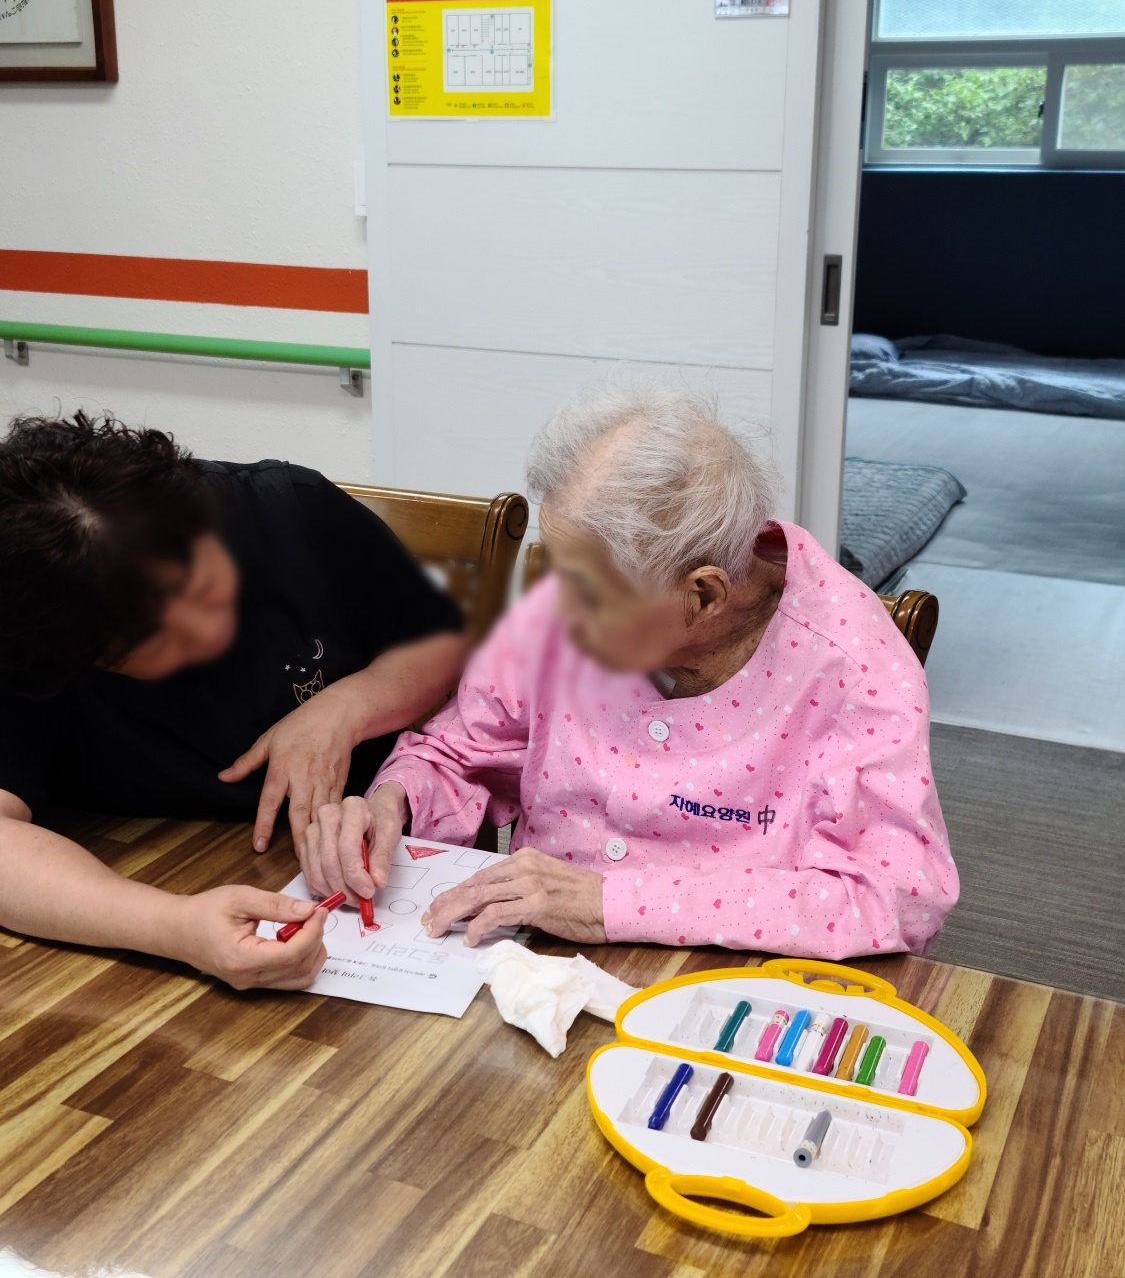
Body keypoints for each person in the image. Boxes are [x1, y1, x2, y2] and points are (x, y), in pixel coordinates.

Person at [307, 386, 958, 959]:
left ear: (703, 596)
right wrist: (394, 801)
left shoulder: (852, 667)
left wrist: (610, 904)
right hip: (530, 967)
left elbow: (896, 897)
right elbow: (459, 752)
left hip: (722, 990)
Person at [0, 413, 466, 989]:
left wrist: (346, 707)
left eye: (203, 586)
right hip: (133, 879)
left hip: (355, 848)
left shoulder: (290, 511)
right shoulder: (31, 618)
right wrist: (173, 927)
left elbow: (441, 646)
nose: (210, 628)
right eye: (160, 640)